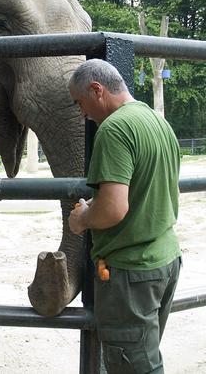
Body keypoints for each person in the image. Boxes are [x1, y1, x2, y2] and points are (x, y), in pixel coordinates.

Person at [67, 59, 182, 374]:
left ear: (97, 90)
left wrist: (83, 218)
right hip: (165, 260)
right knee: (145, 357)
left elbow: (115, 208)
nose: (83, 113)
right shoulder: (155, 121)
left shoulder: (114, 129)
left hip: (132, 272)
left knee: (135, 368)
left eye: (81, 103)